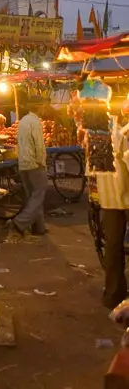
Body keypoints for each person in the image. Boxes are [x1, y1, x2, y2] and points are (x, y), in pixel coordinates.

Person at [95, 109, 129, 308]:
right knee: (114, 246)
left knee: (113, 247)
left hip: (108, 197)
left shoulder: (95, 134)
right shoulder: (121, 133)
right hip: (124, 195)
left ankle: (112, 294)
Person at [6, 90, 48, 238]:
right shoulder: (36, 122)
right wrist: (42, 162)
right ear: (39, 107)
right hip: (34, 164)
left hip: (23, 163)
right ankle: (19, 223)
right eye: (43, 105)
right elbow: (39, 145)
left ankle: (39, 227)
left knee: (33, 196)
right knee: (39, 195)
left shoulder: (23, 121)